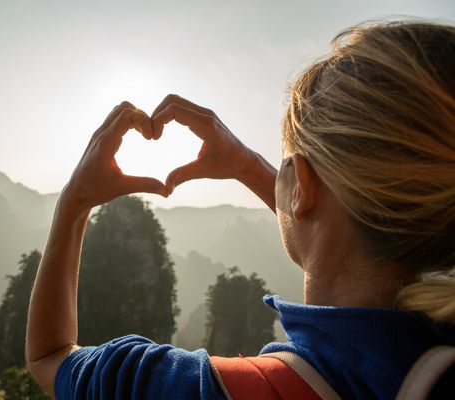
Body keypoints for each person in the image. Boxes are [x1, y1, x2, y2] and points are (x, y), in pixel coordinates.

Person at [25, 20, 455, 399]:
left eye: (286, 162)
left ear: (301, 187)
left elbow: (49, 356)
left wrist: (73, 204)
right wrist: (248, 166)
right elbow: (336, 223)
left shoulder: (177, 387)